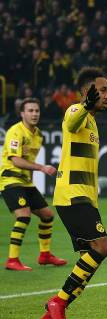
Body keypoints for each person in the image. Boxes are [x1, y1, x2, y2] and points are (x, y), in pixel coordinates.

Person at [40, 67, 107, 319]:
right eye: (102, 90)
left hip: (83, 197)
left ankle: (53, 313)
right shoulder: (76, 111)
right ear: (87, 91)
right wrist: (84, 104)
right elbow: (71, 122)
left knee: (89, 258)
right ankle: (58, 302)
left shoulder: (92, 121)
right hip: (72, 195)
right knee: (102, 247)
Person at [0, 98, 67, 271]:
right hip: (9, 179)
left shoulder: (38, 135)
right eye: (30, 111)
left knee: (47, 215)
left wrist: (31, 178)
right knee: (24, 215)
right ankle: (12, 259)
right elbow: (15, 160)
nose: (34, 114)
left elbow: (27, 160)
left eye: (36, 111)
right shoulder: (15, 132)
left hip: (25, 182)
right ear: (22, 113)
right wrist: (42, 168)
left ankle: (45, 255)